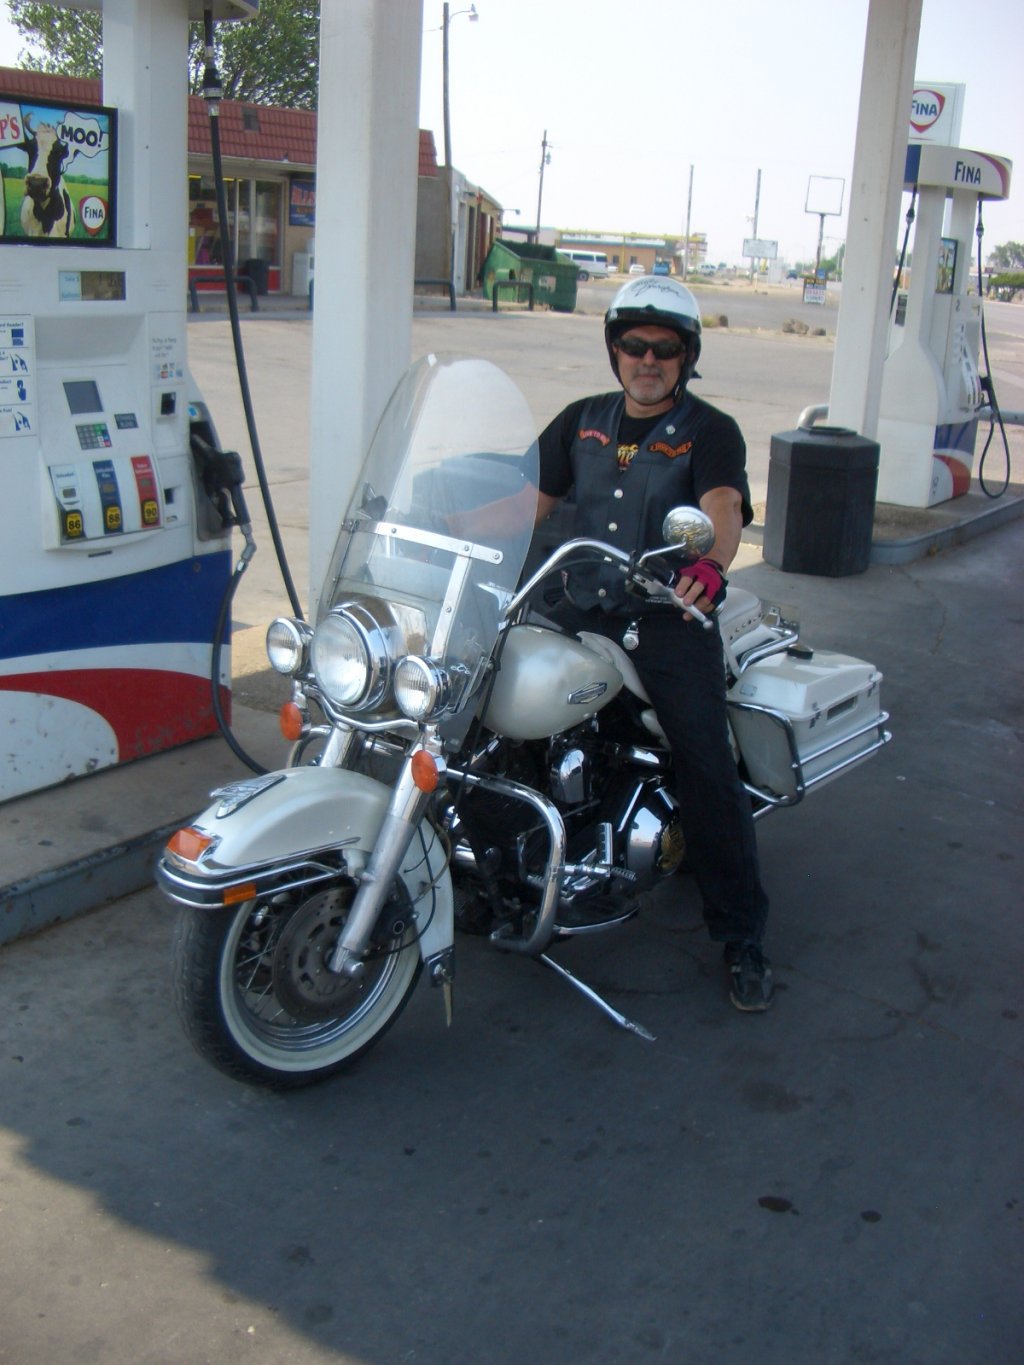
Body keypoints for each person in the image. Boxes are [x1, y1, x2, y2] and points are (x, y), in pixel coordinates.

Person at [535, 276, 774, 1011]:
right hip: (576, 605)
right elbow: (526, 503)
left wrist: (711, 564)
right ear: (614, 350)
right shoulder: (580, 421)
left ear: (685, 358)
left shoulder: (709, 430)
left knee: (705, 762)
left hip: (665, 616)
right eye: (634, 345)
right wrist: (440, 521)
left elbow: (722, 507)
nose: (647, 359)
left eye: (664, 348)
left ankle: (741, 933)